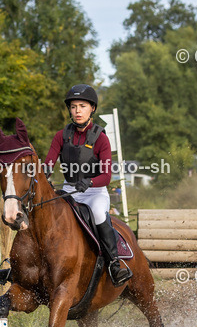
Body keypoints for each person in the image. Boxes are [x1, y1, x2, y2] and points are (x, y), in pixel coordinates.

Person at [44, 84, 131, 286]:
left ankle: (114, 264)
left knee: (100, 214)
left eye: (82, 106)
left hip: (94, 192)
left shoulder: (101, 138)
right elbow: (49, 163)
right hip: (69, 190)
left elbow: (106, 176)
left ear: (92, 108)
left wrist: (90, 181)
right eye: (73, 107)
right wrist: (42, 173)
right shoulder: (60, 136)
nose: (77, 111)